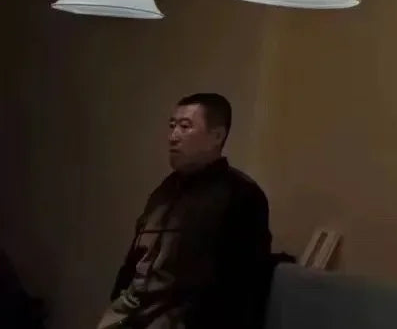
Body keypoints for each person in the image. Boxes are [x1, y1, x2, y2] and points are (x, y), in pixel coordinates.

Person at [97, 93, 272, 329]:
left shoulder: (241, 196)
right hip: (131, 315)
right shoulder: (165, 190)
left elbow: (243, 289)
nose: (173, 136)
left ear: (217, 136)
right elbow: (133, 262)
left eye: (185, 126)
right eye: (172, 126)